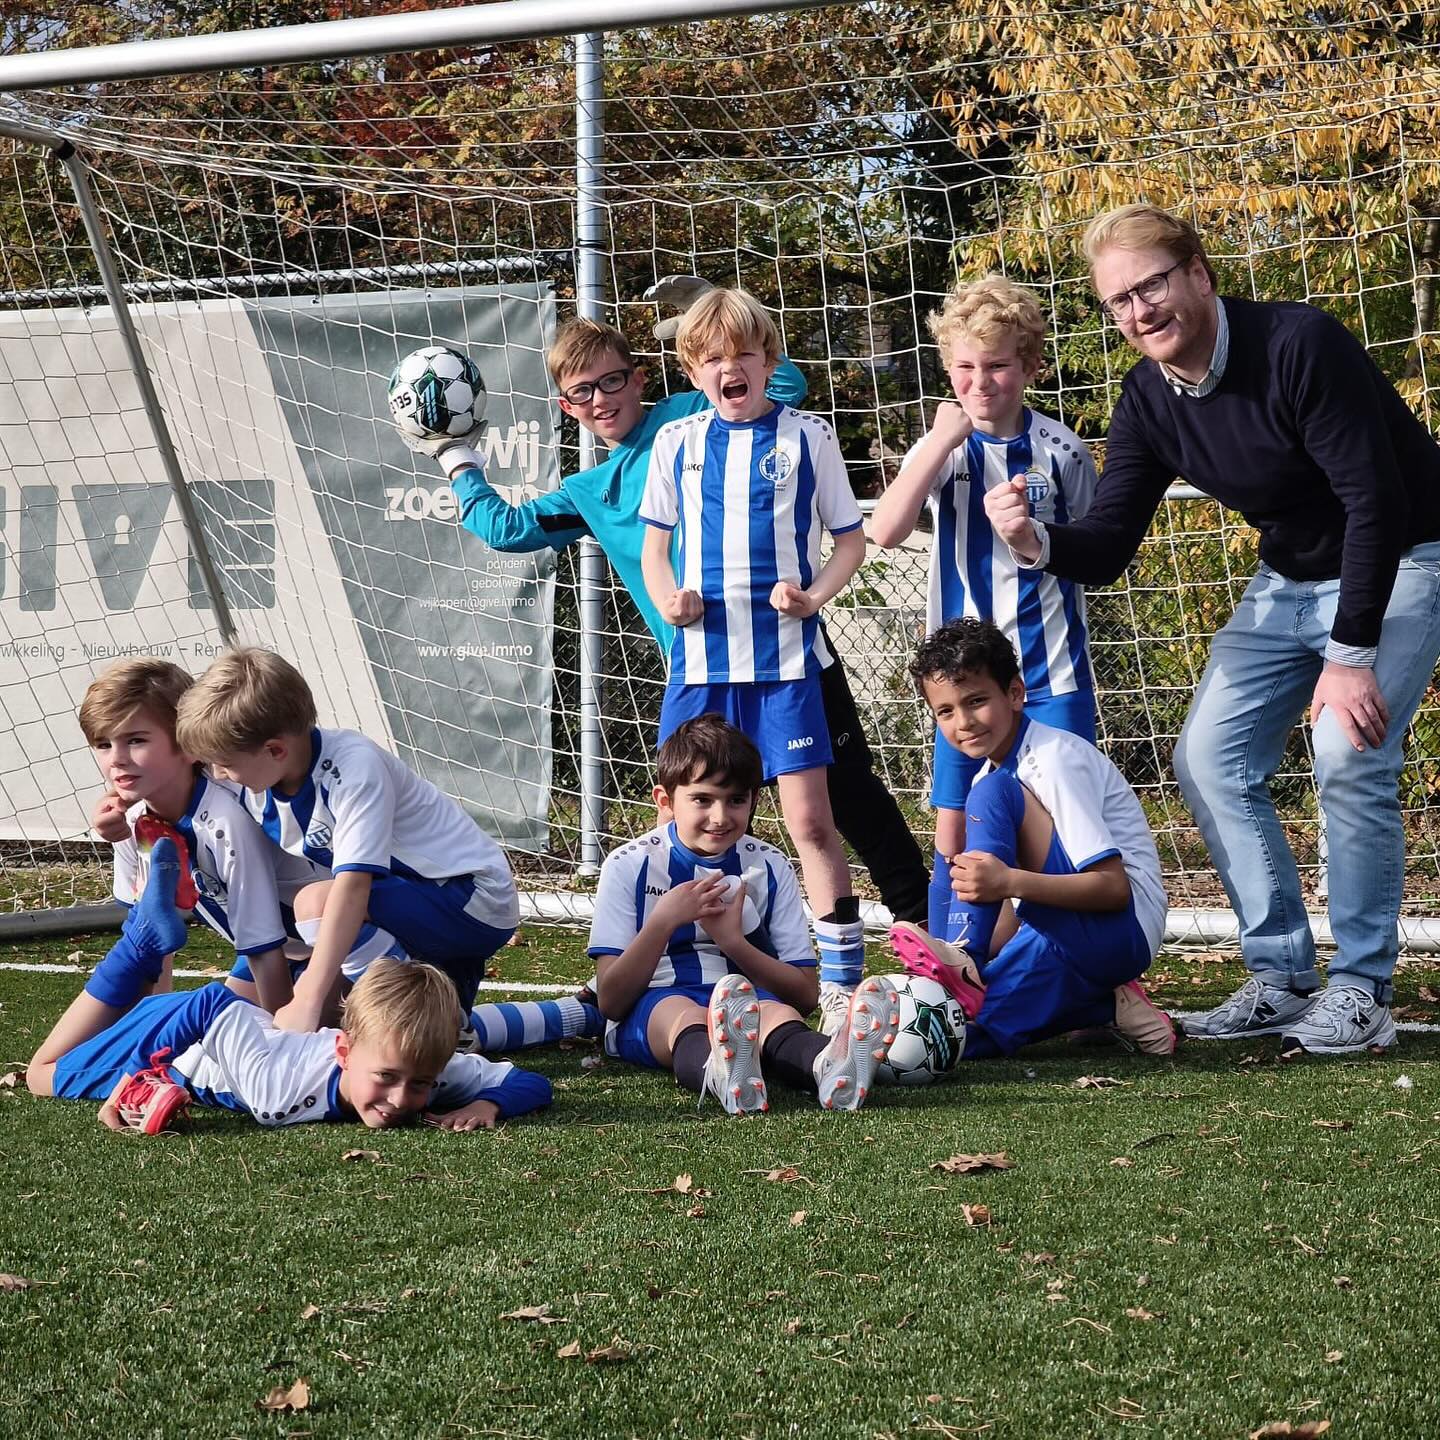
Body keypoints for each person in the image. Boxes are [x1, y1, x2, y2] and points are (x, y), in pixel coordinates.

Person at [984, 202, 1440, 1055]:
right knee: (1207, 757)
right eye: (1118, 301)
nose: (1138, 311)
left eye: (1151, 284)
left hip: (1409, 554)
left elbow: (1372, 501)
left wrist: (1348, 657)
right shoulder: (1149, 396)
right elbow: (1112, 543)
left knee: (1347, 746)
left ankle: (1364, 985)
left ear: (1199, 272)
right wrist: (1035, 541)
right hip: (1290, 576)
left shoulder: (1302, 345)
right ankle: (1281, 973)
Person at [397, 283, 929, 942]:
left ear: (641, 379)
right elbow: (507, 528)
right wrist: (456, 456)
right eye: (583, 392)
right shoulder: (594, 490)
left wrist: (714, 310)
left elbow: (780, 383)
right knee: (693, 815)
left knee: (841, 801)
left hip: (785, 647)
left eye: (612, 381)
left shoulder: (688, 412)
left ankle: (923, 924)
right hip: (703, 664)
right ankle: (681, 959)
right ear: (567, 407)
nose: (602, 400)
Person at [639, 287, 873, 1030]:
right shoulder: (677, 443)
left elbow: (851, 541)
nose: (729, 367)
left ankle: (840, 986)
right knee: (682, 820)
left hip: (784, 667)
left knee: (808, 821)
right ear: (692, 369)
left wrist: (813, 597)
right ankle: (659, 973)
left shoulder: (810, 436)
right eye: (712, 358)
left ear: (769, 361)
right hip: (701, 666)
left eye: (743, 353)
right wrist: (670, 597)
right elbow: (653, 549)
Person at [26, 840, 550, 1134]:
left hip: (240, 1028)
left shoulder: (422, 1069)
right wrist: (144, 1075)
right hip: (182, 1044)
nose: (399, 1098)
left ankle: (584, 1011)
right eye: (389, 1077)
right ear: (342, 1048)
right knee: (40, 1075)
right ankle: (140, 943)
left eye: (418, 1084)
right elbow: (211, 1005)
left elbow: (533, 1083)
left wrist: (487, 1107)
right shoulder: (276, 1090)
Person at [871, 275, 1098, 943]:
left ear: (1028, 365)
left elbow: (1095, 551)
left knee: (1058, 829)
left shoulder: (1062, 453)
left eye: (997, 365)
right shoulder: (943, 448)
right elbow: (883, 531)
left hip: (1051, 678)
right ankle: (948, 964)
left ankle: (1088, 977)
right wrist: (941, 441)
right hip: (962, 690)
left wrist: (1035, 536)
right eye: (964, 367)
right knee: (955, 825)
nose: (980, 381)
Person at [173, 646, 522, 1034]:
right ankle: (551, 1015)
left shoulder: (353, 768)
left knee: (316, 905)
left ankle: (416, 1021)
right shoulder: (264, 771)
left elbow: (354, 888)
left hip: (472, 898)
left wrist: (305, 996)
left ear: (275, 750)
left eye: (226, 763)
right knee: (331, 1025)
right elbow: (183, 788)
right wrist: (124, 811)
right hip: (414, 905)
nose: (218, 773)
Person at [889, 619, 1175, 1057]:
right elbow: (1007, 905)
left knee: (989, 796)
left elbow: (1113, 889)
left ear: (1016, 694)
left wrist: (1008, 884)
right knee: (958, 1039)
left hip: (1119, 932)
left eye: (977, 701)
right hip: (1058, 936)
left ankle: (963, 957)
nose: (963, 722)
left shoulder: (1052, 760)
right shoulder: (993, 771)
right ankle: (1110, 1006)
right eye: (946, 711)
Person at [588, 714, 900, 1112]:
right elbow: (611, 1002)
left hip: (747, 1000)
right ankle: (718, 1071)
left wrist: (733, 943)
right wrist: (665, 920)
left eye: (736, 800)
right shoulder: (629, 864)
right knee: (681, 1015)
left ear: (754, 799)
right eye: (702, 799)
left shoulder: (769, 865)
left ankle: (829, 1066)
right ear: (665, 801)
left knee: (776, 1014)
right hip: (655, 1001)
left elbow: (804, 995)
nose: (720, 817)